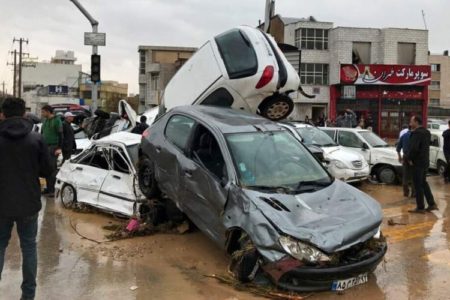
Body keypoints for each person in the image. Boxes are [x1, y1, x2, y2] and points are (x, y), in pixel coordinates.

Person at [0, 98, 51, 300]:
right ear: (24, 114)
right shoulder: (36, 139)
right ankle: (28, 295)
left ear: (2, 115)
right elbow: (47, 170)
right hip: (29, 203)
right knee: (29, 247)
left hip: (1, 204)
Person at [407, 116, 437, 213]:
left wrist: (410, 159)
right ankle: (431, 204)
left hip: (417, 162)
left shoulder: (416, 133)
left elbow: (414, 148)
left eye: (411, 121)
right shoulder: (427, 132)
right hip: (425, 162)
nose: (410, 124)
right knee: (423, 183)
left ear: (416, 122)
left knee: (418, 185)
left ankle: (420, 207)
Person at [40, 105, 63, 197]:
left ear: (48, 112)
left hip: (53, 147)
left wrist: (59, 148)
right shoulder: (45, 121)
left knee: (52, 169)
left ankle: (52, 190)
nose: (42, 114)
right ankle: (48, 188)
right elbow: (42, 134)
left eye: (43, 112)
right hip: (45, 147)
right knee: (45, 168)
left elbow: (61, 135)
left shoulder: (57, 120)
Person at [396, 126, 415, 198]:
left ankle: (406, 193)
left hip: (405, 157)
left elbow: (398, 148)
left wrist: (399, 157)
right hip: (413, 158)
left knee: (405, 176)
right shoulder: (415, 136)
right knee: (414, 176)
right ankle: (414, 193)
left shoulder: (403, 136)